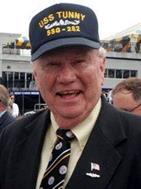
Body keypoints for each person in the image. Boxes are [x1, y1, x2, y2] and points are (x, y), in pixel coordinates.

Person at [1, 3, 141, 189]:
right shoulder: (12, 137)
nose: (66, 77)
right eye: (52, 64)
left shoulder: (137, 141)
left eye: (79, 61)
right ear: (36, 75)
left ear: (101, 66)